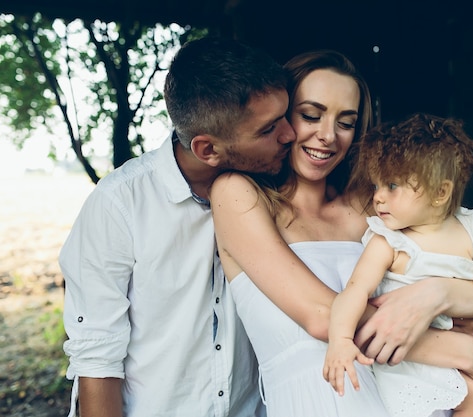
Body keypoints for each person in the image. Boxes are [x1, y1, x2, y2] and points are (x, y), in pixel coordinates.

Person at [209, 51, 473, 417]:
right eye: (310, 115)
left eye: (346, 123)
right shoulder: (238, 195)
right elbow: (322, 316)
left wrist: (436, 293)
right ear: (282, 117)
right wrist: (464, 352)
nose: (327, 136)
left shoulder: (375, 207)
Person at [60, 36, 296, 417]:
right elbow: (97, 360)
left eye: (287, 116)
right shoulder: (120, 204)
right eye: (268, 130)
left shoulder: (281, 190)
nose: (290, 134)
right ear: (207, 149)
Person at [323, 112, 473, 417]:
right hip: (396, 357)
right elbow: (354, 291)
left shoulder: (471, 232)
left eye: (392, 186)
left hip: (441, 355)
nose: (378, 197)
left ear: (441, 192)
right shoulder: (389, 242)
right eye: (377, 185)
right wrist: (339, 340)